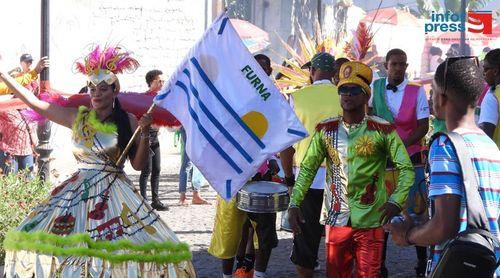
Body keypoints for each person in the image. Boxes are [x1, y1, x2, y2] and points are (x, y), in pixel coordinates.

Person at [0, 46, 195, 276]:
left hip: (116, 195)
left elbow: (139, 165)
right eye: (92, 88)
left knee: (118, 254)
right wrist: (3, 76)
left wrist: (144, 133)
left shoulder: (128, 121)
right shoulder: (76, 117)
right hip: (76, 192)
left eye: (103, 89)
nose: (96, 93)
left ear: (115, 91)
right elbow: (34, 103)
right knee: (64, 249)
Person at [288, 61, 414, 278]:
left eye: (354, 90)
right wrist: (294, 202)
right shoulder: (326, 130)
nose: (347, 95)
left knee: (369, 275)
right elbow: (308, 169)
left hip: (371, 220)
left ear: (366, 96)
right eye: (343, 90)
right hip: (336, 220)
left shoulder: (382, 130)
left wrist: (396, 201)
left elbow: (406, 169)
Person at [387, 57, 500, 277]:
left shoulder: (444, 145)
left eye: (433, 92)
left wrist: (408, 235)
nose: (430, 98)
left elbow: (444, 226)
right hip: (490, 266)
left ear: (442, 97)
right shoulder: (490, 146)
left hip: (459, 268)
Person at [208, 54, 279, 278]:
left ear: (268, 72)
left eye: (264, 67)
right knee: (230, 231)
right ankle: (229, 276)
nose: (259, 71)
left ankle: (257, 274)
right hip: (232, 176)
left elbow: (279, 136)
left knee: (262, 234)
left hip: (261, 178)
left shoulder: (274, 100)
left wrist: (275, 159)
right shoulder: (230, 98)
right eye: (254, 67)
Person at [279, 52, 342, 278]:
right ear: (334, 73)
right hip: (340, 179)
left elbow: (286, 145)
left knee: (305, 239)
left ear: (312, 72)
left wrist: (288, 179)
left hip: (307, 179)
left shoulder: (297, 98)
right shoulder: (346, 96)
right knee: (340, 238)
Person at [369, 48, 430, 277]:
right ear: (386, 65)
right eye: (394, 64)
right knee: (382, 209)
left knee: (417, 210)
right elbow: (369, 120)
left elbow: (423, 126)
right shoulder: (375, 88)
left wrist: (400, 146)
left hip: (411, 160)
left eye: (402, 64)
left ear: (407, 66)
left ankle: (422, 263)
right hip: (382, 161)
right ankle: (379, 263)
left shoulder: (417, 91)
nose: (398, 68)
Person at [139, 69, 168, 211]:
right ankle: (143, 201)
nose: (162, 83)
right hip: (145, 136)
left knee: (157, 169)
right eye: (159, 81)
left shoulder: (162, 97)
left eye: (163, 81)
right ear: (151, 82)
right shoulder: (145, 98)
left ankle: (155, 200)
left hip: (155, 137)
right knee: (146, 170)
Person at [178, 126, 210, 205]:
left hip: (195, 126)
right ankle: (183, 197)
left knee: (195, 162)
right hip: (189, 125)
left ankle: (196, 195)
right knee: (187, 162)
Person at [478, 48, 500, 147]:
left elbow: (486, 135)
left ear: (495, 71)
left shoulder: (492, 96)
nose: (483, 73)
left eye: (486, 69)